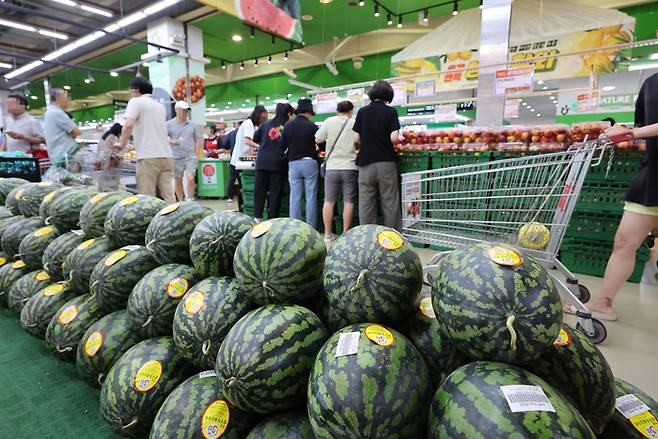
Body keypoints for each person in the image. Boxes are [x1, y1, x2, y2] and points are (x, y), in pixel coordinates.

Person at [563, 73, 658, 322]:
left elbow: (638, 132)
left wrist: (631, 134)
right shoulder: (651, 83)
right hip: (653, 175)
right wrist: (622, 133)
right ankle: (603, 303)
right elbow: (643, 128)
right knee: (624, 241)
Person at [115, 77, 175, 204]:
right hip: (166, 156)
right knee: (168, 194)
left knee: (147, 197)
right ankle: (174, 219)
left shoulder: (135, 102)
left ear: (136, 90)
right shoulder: (159, 106)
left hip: (148, 157)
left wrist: (122, 143)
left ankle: (149, 223)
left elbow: (128, 125)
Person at [353, 80, 402, 231]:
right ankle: (392, 236)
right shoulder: (390, 112)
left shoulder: (362, 111)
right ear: (388, 95)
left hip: (365, 163)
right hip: (386, 163)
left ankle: (367, 237)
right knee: (390, 201)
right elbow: (394, 137)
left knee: (366, 203)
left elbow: (356, 139)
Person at [316, 100, 358, 241]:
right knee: (348, 201)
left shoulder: (329, 121)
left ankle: (327, 234)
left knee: (329, 201)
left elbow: (318, 139)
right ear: (351, 111)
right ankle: (345, 233)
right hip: (350, 166)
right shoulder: (353, 122)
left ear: (337, 110)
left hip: (332, 167)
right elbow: (359, 141)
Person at [281, 98, 319, 228]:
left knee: (295, 196)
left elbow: (282, 146)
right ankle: (311, 227)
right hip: (310, 163)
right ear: (308, 112)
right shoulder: (313, 126)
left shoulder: (288, 125)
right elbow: (320, 144)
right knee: (311, 197)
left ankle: (294, 226)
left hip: (293, 163)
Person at [253, 103, 294, 220]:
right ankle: (272, 219)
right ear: (288, 113)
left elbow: (255, 138)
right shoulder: (288, 125)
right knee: (275, 193)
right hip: (278, 163)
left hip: (262, 161)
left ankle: (257, 218)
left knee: (260, 191)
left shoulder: (265, 124)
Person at [229, 107, 267, 206]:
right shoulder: (249, 124)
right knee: (243, 187)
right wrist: (260, 147)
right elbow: (247, 141)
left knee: (243, 188)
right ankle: (242, 208)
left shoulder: (250, 124)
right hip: (239, 161)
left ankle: (242, 208)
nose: (263, 120)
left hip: (239, 160)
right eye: (262, 118)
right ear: (257, 115)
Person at [167, 101, 200, 202]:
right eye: (183, 110)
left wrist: (196, 154)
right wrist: (173, 141)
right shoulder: (169, 124)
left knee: (190, 178)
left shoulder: (192, 124)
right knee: (178, 180)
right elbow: (162, 138)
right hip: (175, 157)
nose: (185, 113)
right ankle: (181, 201)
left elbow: (197, 139)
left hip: (190, 156)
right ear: (176, 110)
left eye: (187, 111)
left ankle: (190, 199)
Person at [44, 88, 81, 166]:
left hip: (59, 156)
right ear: (58, 97)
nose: (68, 100)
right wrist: (72, 133)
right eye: (67, 97)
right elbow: (77, 132)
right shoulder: (57, 112)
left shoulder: (50, 112)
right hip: (65, 157)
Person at [96, 123, 123, 191]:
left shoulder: (106, 135)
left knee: (104, 175)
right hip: (109, 159)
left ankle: (101, 189)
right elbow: (115, 148)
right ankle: (109, 191)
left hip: (102, 158)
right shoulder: (112, 136)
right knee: (110, 176)